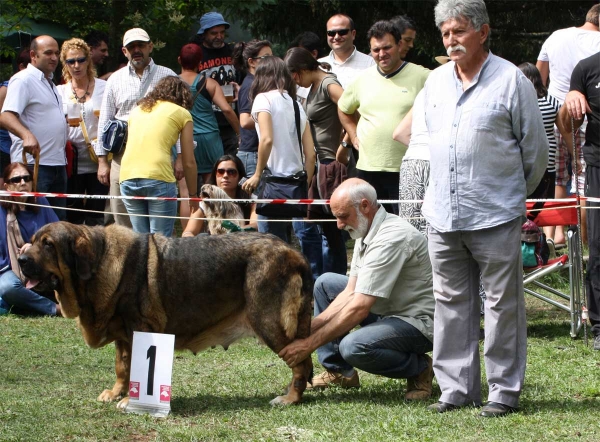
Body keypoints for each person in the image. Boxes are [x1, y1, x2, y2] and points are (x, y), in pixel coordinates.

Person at [420, 0, 547, 417]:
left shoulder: (512, 80)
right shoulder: (435, 82)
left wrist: (508, 196)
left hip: (495, 213)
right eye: (445, 34)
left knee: (501, 304)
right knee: (450, 301)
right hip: (442, 212)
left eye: (458, 31)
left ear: (483, 32)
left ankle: (503, 392)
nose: (450, 40)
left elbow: (536, 154)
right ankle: (456, 389)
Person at [278, 178, 435, 400]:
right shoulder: (366, 228)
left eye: (343, 216)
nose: (339, 225)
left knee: (354, 347)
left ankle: (419, 368)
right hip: (388, 310)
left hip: (419, 322)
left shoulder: (391, 237)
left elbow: (360, 307)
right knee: (326, 284)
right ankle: (340, 371)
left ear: (364, 206)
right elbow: (350, 292)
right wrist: (310, 328)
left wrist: (308, 344)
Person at [338, 20, 429, 214]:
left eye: (387, 47)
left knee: (407, 226)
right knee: (372, 226)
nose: (381, 54)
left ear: (399, 45)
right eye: (376, 49)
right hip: (368, 167)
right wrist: (353, 135)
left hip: (407, 168)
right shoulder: (362, 79)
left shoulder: (422, 76)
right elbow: (343, 108)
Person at [95, 28, 178, 228]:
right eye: (131, 47)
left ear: (150, 46)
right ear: (125, 52)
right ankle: (130, 257)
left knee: (159, 219)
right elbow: (105, 121)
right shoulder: (115, 79)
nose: (137, 50)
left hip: (160, 153)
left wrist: (181, 157)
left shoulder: (168, 76)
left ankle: (157, 257)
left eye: (140, 45)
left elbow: (180, 120)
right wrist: (102, 161)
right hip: (122, 155)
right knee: (121, 214)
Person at [536, 4, 600, 246]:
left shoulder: (556, 36)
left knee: (560, 180)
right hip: (586, 121)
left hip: (556, 118)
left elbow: (539, 80)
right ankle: (587, 243)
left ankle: (557, 234)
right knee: (586, 183)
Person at [285, 47, 347, 277]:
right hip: (321, 164)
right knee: (325, 230)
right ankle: (327, 285)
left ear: (300, 70)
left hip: (331, 164)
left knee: (332, 232)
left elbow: (352, 106)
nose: (293, 81)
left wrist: (347, 140)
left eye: (293, 75)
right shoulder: (313, 87)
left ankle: (335, 286)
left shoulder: (328, 84)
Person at [240, 57, 316, 246]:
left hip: (272, 184)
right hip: (295, 185)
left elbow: (266, 139)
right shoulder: (296, 104)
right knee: (294, 241)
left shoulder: (262, 99)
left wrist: (256, 174)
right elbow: (311, 154)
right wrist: (304, 183)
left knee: (271, 244)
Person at [556, 51, 600, 350]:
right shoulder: (586, 68)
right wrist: (571, 100)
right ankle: (598, 325)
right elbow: (566, 126)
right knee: (598, 248)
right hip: (599, 166)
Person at [119, 76, 198, 237]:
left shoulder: (137, 111)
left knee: (141, 240)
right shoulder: (182, 113)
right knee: (160, 242)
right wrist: (193, 195)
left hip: (127, 176)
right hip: (158, 177)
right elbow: (189, 162)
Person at [0, 36, 68, 220]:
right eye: (48, 53)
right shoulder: (23, 80)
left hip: (57, 164)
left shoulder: (50, 83)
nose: (54, 58)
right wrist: (26, 134)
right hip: (32, 166)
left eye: (56, 53)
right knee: (32, 222)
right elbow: (5, 115)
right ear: (33, 55)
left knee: (57, 226)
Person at [177, 43, 240, 231]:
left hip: (185, 140)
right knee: (212, 188)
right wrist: (239, 132)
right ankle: (214, 230)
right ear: (201, 63)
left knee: (186, 192)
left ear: (179, 60)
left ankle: (188, 235)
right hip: (211, 139)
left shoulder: (173, 84)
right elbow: (227, 109)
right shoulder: (209, 83)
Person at [56, 38, 108, 226]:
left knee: (96, 215)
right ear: (65, 64)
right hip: (71, 160)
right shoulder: (59, 91)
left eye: (81, 60)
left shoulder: (105, 87)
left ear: (89, 60)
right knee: (73, 215)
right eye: (71, 61)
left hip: (98, 160)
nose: (76, 66)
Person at [0, 163, 60, 316]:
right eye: (16, 179)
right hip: (9, 269)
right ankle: (54, 309)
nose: (23, 183)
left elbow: (58, 234)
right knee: (8, 287)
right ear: (7, 186)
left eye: (27, 178)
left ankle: (24, 301)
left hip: (43, 265)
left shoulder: (41, 202)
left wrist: (35, 247)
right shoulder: (1, 209)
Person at [192, 12, 239, 156]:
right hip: (205, 124)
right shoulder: (197, 54)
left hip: (230, 121)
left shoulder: (232, 52)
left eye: (222, 32)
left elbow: (241, 78)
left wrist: (240, 90)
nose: (219, 36)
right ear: (204, 34)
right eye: (214, 33)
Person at [182, 154, 257, 236]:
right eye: (220, 172)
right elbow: (188, 232)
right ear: (215, 175)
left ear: (240, 177)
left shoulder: (250, 199)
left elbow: (256, 225)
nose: (225, 176)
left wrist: (237, 230)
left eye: (231, 172)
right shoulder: (206, 201)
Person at [518, 62, 560, 202]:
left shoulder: (517, 101)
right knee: (547, 206)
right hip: (548, 161)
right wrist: (575, 157)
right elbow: (564, 130)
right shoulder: (552, 101)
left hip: (524, 163)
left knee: (525, 206)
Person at [232, 39, 273, 178]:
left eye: (272, 57)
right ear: (252, 62)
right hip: (252, 154)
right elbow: (244, 121)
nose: (271, 62)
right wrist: (269, 118)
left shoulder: (259, 83)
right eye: (266, 58)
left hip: (257, 153)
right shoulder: (250, 85)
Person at [318, 14, 375, 89]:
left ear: (353, 34)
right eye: (331, 33)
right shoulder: (318, 65)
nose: (336, 37)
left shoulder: (370, 64)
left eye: (342, 32)